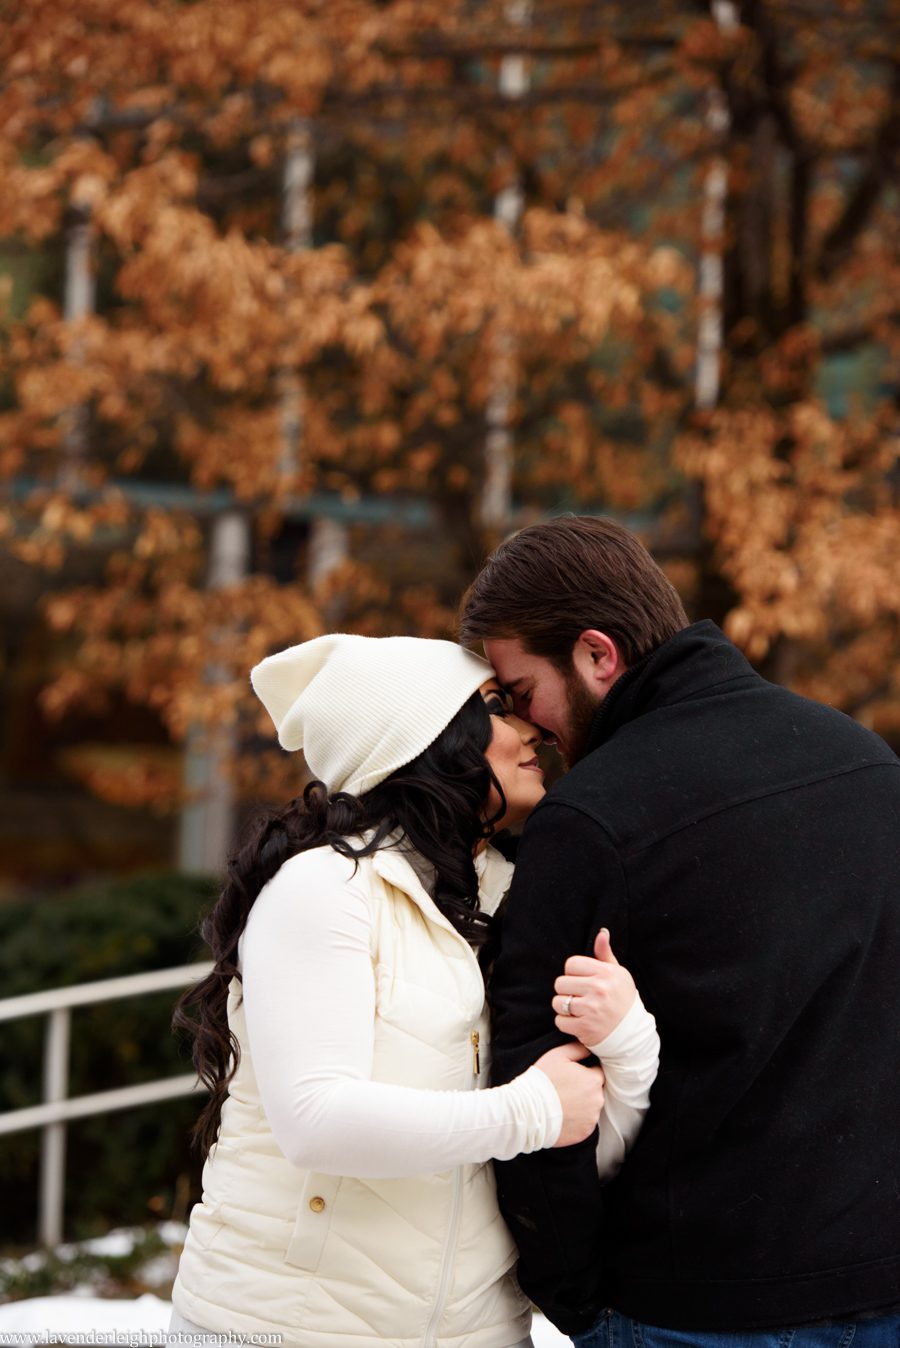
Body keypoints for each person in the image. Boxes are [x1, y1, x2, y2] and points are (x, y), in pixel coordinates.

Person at [459, 515, 900, 1348]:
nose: (526, 729)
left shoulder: (592, 820)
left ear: (597, 655)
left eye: (521, 695)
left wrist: (578, 1298)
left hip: (692, 1307)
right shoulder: (870, 765)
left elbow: (539, 1092)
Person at [169, 633, 660, 1348]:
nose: (529, 728)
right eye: (494, 707)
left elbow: (575, 1138)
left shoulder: (513, 899)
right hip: (284, 1329)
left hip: (480, 1332)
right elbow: (316, 1120)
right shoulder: (324, 890)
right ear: (424, 740)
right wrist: (525, 1110)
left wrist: (629, 1043)